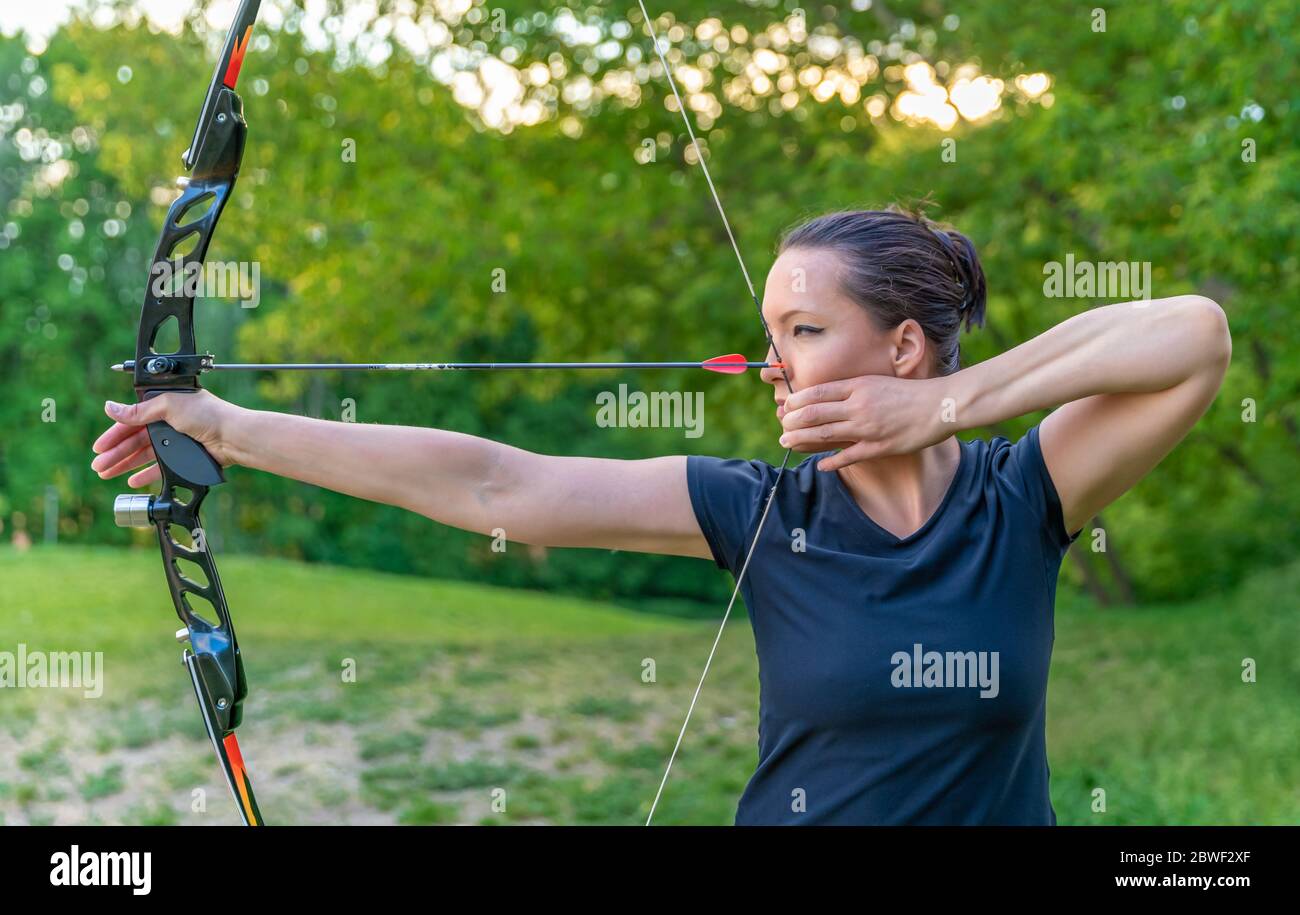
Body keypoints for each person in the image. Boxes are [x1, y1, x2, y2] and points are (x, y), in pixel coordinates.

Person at [93, 206, 1231, 824]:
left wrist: (947, 406)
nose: (771, 365)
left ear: (902, 343)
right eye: (769, 333)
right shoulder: (758, 510)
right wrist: (229, 428)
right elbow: (500, 484)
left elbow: (1192, 337)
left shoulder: (1021, 496)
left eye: (802, 331)